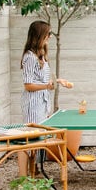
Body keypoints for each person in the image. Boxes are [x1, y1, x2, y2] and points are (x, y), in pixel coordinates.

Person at [18, 20, 72, 176]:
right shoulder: (29, 57)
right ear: (39, 35)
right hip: (33, 105)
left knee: (37, 140)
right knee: (28, 141)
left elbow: (43, 80)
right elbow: (28, 85)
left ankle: (33, 171)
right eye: (47, 34)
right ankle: (23, 177)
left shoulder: (41, 55)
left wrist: (58, 81)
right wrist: (47, 86)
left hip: (43, 103)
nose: (49, 37)